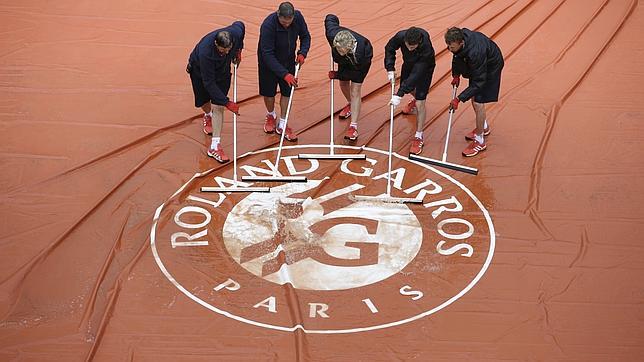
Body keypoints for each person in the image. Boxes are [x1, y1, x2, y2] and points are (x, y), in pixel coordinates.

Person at [187, 22, 244, 163]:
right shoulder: (206, 53)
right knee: (203, 101)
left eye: (228, 49)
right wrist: (228, 103)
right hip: (200, 72)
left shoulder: (235, 34)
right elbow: (209, 83)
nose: (225, 52)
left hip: (223, 72)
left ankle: (214, 146)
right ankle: (207, 115)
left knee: (218, 106)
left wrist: (238, 51)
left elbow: (241, 25)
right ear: (215, 44)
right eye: (222, 50)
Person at [445, 27, 504, 157]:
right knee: (474, 97)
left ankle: (480, 140)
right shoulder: (458, 43)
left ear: (461, 43)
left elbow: (479, 82)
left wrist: (459, 99)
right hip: (478, 66)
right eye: (448, 46)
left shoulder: (475, 53)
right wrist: (456, 74)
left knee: (478, 101)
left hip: (490, 67)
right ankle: (484, 127)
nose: (450, 50)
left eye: (452, 47)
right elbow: (456, 56)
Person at [258, 2, 311, 141]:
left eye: (289, 22)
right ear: (278, 15)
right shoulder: (268, 25)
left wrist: (302, 53)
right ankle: (271, 114)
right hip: (268, 63)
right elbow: (267, 54)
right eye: (283, 22)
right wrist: (284, 74)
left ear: (293, 17)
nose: (287, 24)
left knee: (287, 91)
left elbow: (305, 37)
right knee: (269, 93)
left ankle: (282, 123)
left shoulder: (298, 18)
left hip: (288, 60)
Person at [385, 26, 436, 155]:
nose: (409, 49)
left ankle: (419, 136)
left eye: (412, 47)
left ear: (418, 43)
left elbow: (416, 74)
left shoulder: (426, 49)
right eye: (407, 46)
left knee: (420, 100)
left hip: (425, 67)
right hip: (408, 63)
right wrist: (390, 68)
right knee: (408, 88)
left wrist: (399, 95)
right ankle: (414, 99)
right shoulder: (400, 36)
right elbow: (389, 48)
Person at [324, 14, 373, 141]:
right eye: (337, 49)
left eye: (342, 50)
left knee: (355, 90)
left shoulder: (362, 53)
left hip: (358, 66)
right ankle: (351, 104)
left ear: (350, 46)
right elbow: (330, 18)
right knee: (343, 84)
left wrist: (337, 74)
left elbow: (353, 74)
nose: (339, 51)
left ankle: (353, 127)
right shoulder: (332, 34)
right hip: (345, 61)